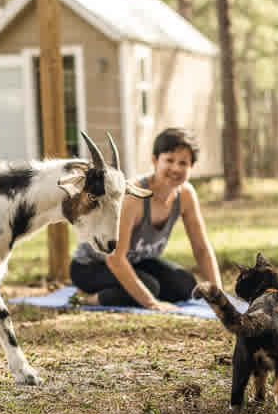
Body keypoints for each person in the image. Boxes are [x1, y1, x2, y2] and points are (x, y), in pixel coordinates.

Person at [70, 127, 222, 310]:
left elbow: (201, 248)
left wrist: (218, 296)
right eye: (169, 160)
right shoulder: (134, 196)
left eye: (183, 163)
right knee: (149, 288)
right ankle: (86, 298)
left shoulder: (186, 195)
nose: (176, 168)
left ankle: (130, 291)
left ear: (192, 167)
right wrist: (152, 303)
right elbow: (115, 259)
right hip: (91, 266)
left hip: (137, 261)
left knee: (185, 285)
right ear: (155, 160)